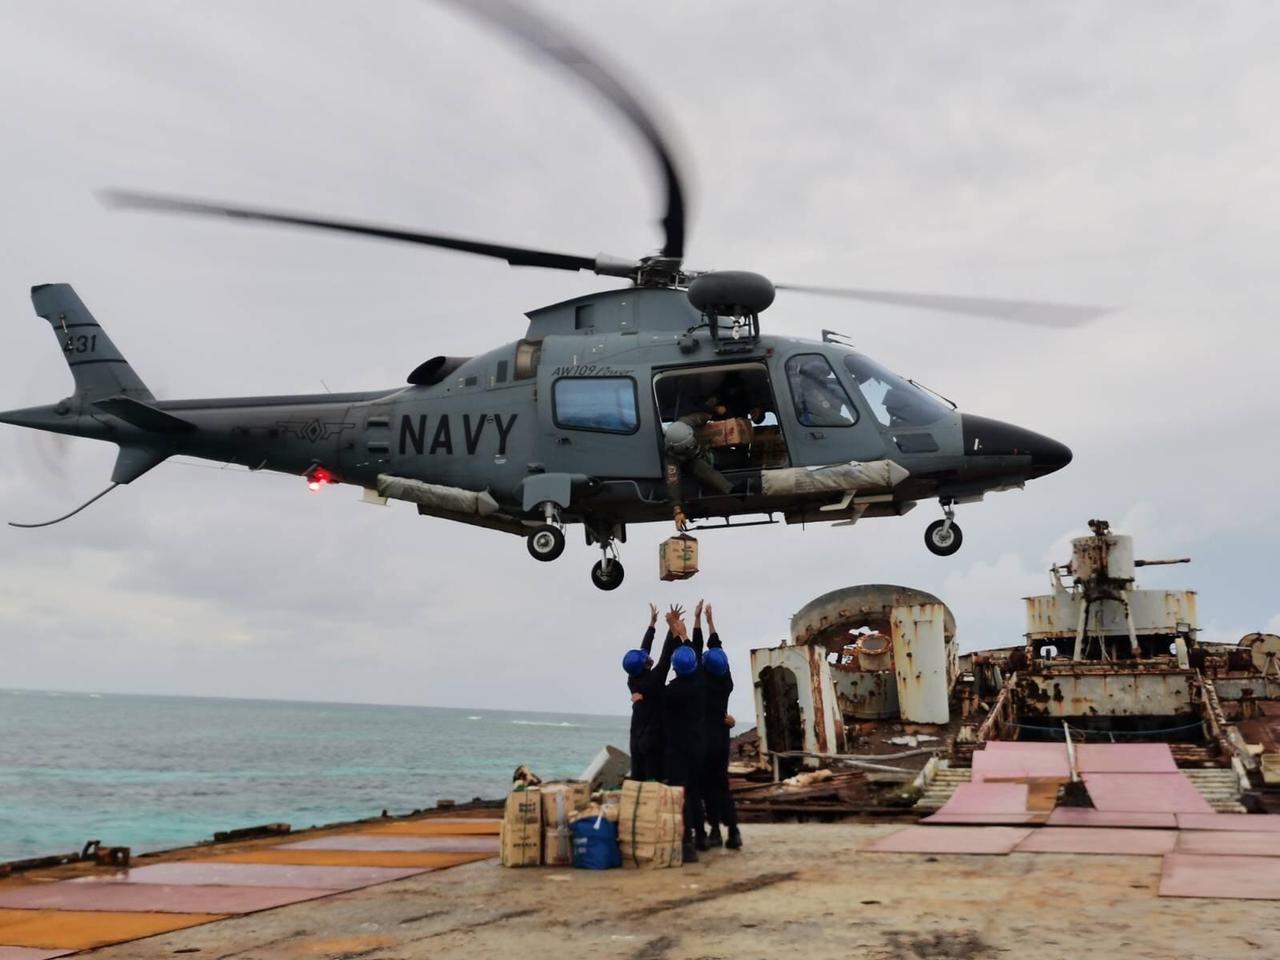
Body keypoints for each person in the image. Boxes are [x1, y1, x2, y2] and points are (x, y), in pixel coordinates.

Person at [660, 607, 707, 862]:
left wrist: (673, 631)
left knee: (681, 795)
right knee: (695, 791)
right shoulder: (700, 682)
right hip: (697, 746)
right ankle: (700, 837)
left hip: (678, 749)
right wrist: (682, 633)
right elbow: (694, 659)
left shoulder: (671, 693)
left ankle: (686, 843)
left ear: (675, 670)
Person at [694, 601, 741, 850]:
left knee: (704, 785)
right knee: (722, 786)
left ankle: (713, 830)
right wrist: (711, 621)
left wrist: (698, 620)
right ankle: (734, 831)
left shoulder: (700, 682)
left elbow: (697, 647)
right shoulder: (726, 682)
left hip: (704, 738)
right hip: (722, 739)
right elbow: (716, 648)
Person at [623, 603, 680, 782]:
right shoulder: (654, 680)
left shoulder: (633, 679)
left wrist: (652, 625)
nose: (647, 656)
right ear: (645, 665)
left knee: (638, 781)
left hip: (636, 738)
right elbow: (666, 655)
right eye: (646, 658)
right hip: (654, 741)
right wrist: (672, 627)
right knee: (654, 782)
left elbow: (644, 649)